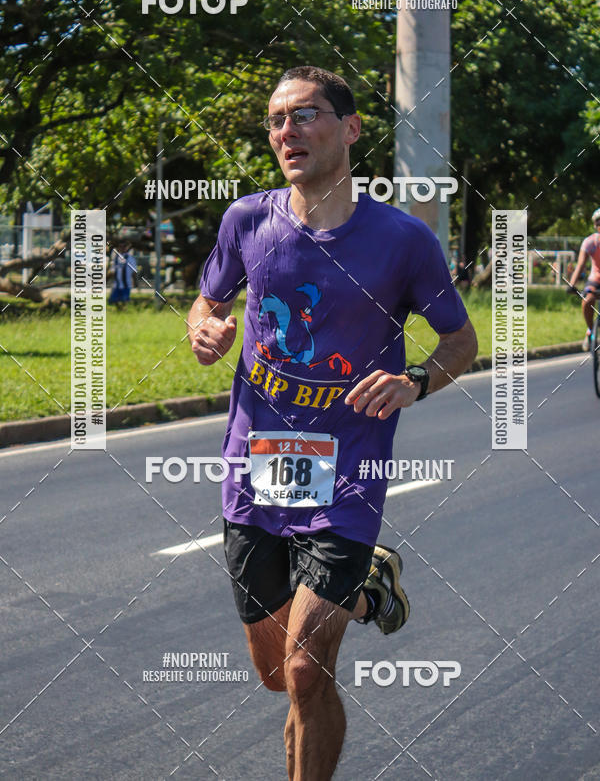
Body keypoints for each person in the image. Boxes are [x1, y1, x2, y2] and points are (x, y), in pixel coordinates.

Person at [187, 66, 478, 781]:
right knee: (274, 675)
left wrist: (414, 381)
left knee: (305, 669)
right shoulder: (246, 221)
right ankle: (370, 588)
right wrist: (204, 329)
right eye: (276, 119)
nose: (286, 131)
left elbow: (460, 341)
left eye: (304, 114)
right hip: (254, 472)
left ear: (350, 129)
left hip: (347, 476)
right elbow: (208, 303)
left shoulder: (402, 240)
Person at [567, 208, 600, 351]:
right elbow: (580, 264)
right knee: (587, 300)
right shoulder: (590, 242)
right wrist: (572, 284)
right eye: (598, 222)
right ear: (595, 225)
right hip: (596, 278)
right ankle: (590, 330)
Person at [108, 241, 137, 306]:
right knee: (112, 301)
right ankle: (120, 309)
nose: (122, 248)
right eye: (120, 246)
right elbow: (112, 271)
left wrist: (135, 282)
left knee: (124, 301)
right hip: (116, 285)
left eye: (124, 246)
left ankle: (126, 309)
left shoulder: (130, 258)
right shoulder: (116, 258)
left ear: (127, 248)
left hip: (126, 285)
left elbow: (134, 271)